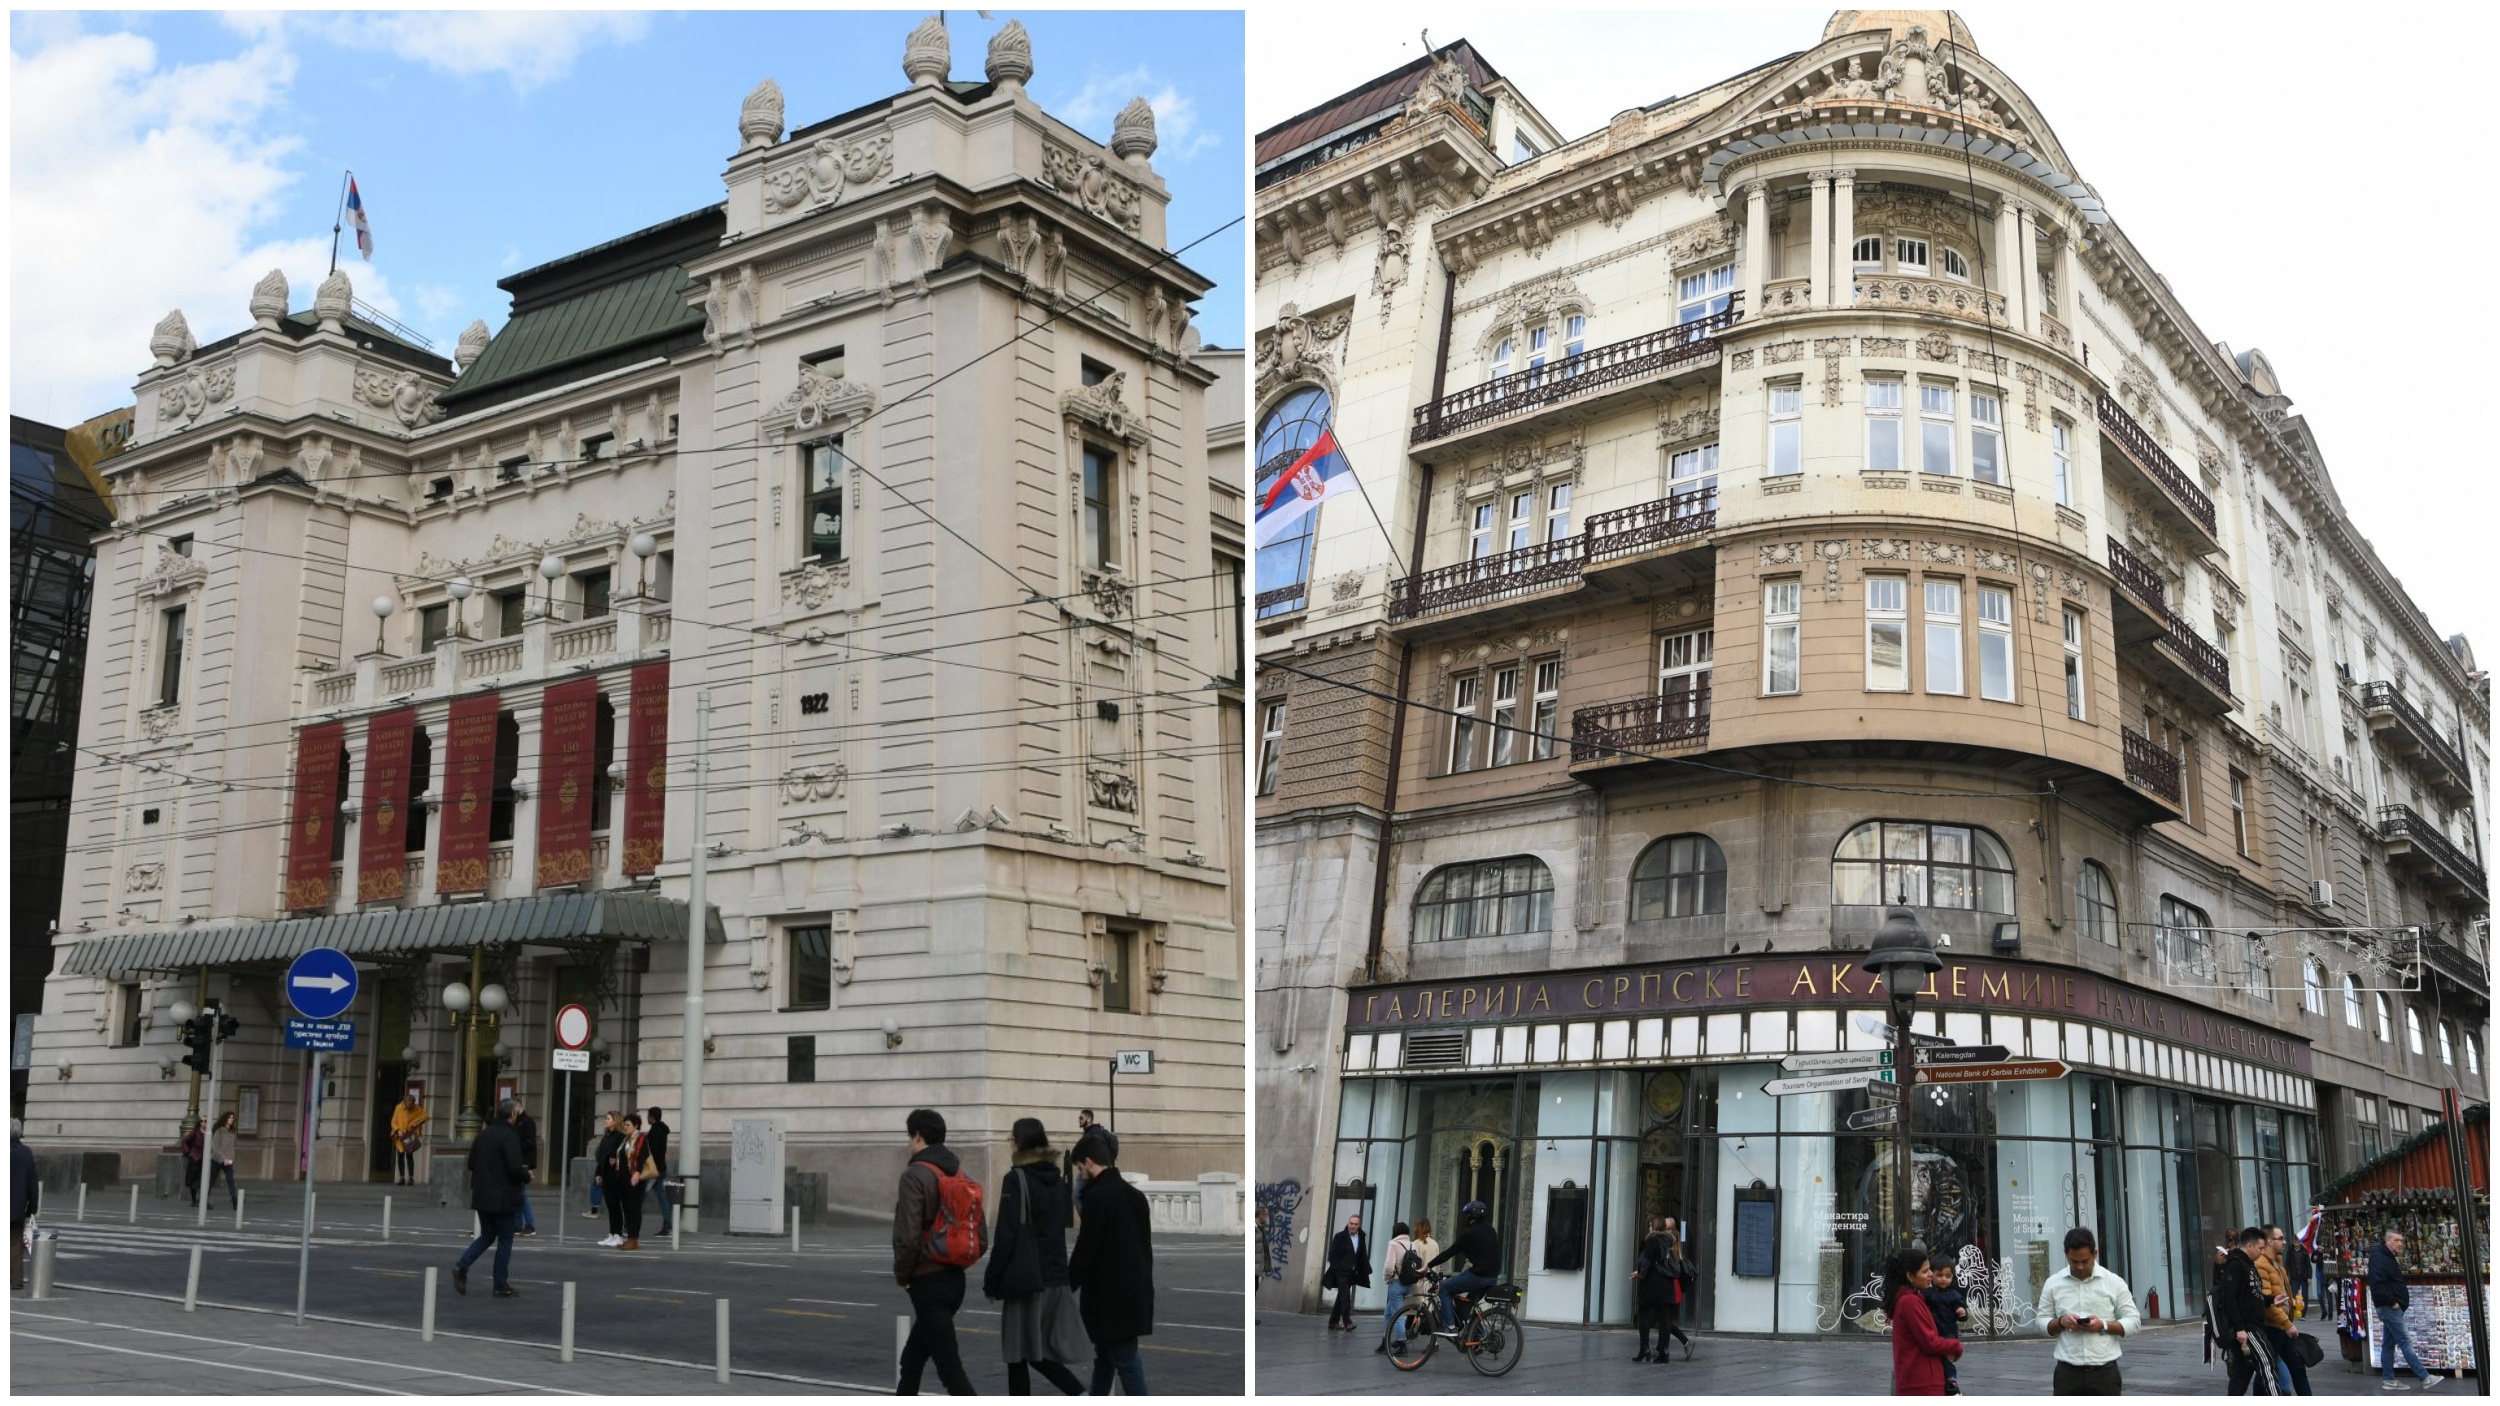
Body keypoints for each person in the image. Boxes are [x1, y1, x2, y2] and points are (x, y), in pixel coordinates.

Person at [984, 1117, 1086, 1395]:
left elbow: (1006, 1236)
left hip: (1025, 1278)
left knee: (1019, 1354)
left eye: (1011, 1138)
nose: (1010, 1143)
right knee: (1038, 1351)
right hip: (1055, 1275)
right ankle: (1082, 1394)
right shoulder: (1055, 1178)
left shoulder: (1015, 1179)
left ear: (1020, 1143)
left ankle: (1081, 1394)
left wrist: (991, 1282)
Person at [892, 1108, 979, 1396]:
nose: (908, 1143)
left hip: (928, 1281)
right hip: (955, 1281)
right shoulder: (959, 1173)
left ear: (918, 1136)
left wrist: (903, 1275)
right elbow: (981, 1235)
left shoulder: (915, 1176)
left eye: (909, 1136)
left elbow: (907, 1236)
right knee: (912, 1359)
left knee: (950, 1370)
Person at [1066, 1129, 1152, 1397]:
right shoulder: (1135, 1196)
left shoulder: (1098, 1198)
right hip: (1134, 1291)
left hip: (1109, 1298)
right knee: (1105, 1358)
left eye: (1080, 1167)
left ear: (1089, 1162)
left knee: (1125, 1360)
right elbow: (1145, 1248)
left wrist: (1066, 1285)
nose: (1080, 1174)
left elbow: (1086, 1250)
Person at [2037, 1225, 2139, 1395]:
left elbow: (2134, 1321)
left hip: (2104, 1372)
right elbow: (2040, 1323)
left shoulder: (2114, 1282)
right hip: (2067, 1373)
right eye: (2073, 1261)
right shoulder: (2053, 1283)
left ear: (2095, 1254)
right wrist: (2061, 1322)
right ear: (2066, 1254)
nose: (2080, 1267)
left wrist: (2103, 1325)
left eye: (2085, 1261)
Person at [452, 1098, 528, 1298]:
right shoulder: (509, 1136)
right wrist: (526, 1175)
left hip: (482, 1194)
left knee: (487, 1235)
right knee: (505, 1239)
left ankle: (462, 1265)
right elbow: (514, 1167)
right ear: (512, 1115)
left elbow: (472, 1164)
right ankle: (500, 1284)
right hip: (503, 1197)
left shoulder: (483, 1135)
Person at [2367, 1229, 2436, 1391]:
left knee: (2388, 1344)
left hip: (2391, 1307)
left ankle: (2389, 1379)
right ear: (2388, 1241)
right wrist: (2392, 1302)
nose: (2400, 1244)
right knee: (2405, 1341)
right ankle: (2425, 1377)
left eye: (2402, 1241)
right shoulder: (2379, 1257)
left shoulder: (2386, 1256)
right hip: (2389, 1308)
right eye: (2397, 1240)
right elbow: (2377, 1284)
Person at [1887, 1247, 1961, 1396]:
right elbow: (1930, 1342)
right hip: (1922, 1384)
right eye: (1925, 1271)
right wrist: (1956, 1345)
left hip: (1921, 1381)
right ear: (1910, 1276)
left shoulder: (1913, 1298)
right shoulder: (1909, 1302)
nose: (1930, 1275)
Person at [2213, 1225, 2275, 1395]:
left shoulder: (2248, 1264)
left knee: (2242, 1373)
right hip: (2248, 1328)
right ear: (2250, 1246)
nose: (2262, 1252)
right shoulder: (2236, 1264)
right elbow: (2230, 1299)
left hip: (2251, 1326)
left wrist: (2272, 1299)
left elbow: (2252, 1295)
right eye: (2260, 1248)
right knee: (2268, 1364)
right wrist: (2240, 1328)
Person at [1427, 1201, 1501, 1333]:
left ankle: (1449, 1327)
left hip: (1479, 1276)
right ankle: (1480, 1338)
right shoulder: (1491, 1230)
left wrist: (1428, 1266)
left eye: (1466, 1215)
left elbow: (1448, 1254)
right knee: (1467, 1306)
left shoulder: (1469, 1234)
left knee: (1444, 1288)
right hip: (1493, 1278)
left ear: (1470, 1216)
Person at [2259, 1224, 2312, 1395]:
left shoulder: (2279, 1265)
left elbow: (2282, 1294)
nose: (2284, 1242)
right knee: (2265, 1372)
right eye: (2280, 1238)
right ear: (2269, 1241)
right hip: (2272, 1327)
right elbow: (2266, 1301)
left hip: (2282, 1326)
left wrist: (2294, 1305)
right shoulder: (2261, 1265)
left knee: (2297, 1368)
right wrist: (2287, 1324)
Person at [1632, 1216, 1676, 1363]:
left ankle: (1644, 1348)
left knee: (1643, 1312)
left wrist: (1640, 1273)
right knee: (1664, 1317)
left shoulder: (1651, 1240)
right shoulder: (1668, 1240)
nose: (1648, 1228)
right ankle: (1664, 1351)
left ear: (1654, 1227)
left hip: (1652, 1282)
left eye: (1650, 1226)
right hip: (1666, 1282)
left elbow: (1645, 1261)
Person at [1924, 1255, 1970, 1395]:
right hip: (1934, 1332)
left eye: (1948, 1276)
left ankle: (1951, 1381)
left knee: (1946, 1360)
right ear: (1932, 1274)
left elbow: (1962, 1314)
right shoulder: (1928, 1292)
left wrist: (1962, 1312)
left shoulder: (1954, 1295)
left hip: (1948, 1333)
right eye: (1940, 1275)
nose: (1944, 1279)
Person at [1376, 1220, 1417, 1355]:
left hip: (1396, 1283)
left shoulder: (1393, 1244)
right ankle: (1385, 1341)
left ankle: (1401, 1342)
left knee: (1398, 1314)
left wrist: (1387, 1278)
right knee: (1388, 1313)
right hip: (1407, 1284)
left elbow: (1389, 1266)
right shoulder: (1412, 1245)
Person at [1324, 1212, 1368, 1331]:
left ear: (1359, 1225)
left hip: (1352, 1272)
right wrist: (1337, 1268)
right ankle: (1347, 1322)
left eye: (1355, 1224)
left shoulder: (1361, 1236)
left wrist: (1363, 1269)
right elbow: (1332, 1254)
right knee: (1345, 1297)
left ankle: (1333, 1321)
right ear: (1348, 1223)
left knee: (1341, 1297)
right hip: (1341, 1272)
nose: (1353, 1226)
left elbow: (1362, 1254)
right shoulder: (1339, 1237)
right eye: (1351, 1223)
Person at [613, 1112, 649, 1250]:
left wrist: (638, 1172)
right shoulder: (626, 1140)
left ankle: (634, 1239)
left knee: (633, 1209)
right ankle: (630, 1238)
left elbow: (641, 1156)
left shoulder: (640, 1139)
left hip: (634, 1179)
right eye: (624, 1125)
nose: (625, 1127)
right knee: (627, 1209)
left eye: (628, 1125)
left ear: (636, 1125)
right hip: (624, 1179)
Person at [594, 1111, 630, 1247]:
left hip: (614, 1176)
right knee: (610, 1206)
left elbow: (621, 1154)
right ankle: (612, 1233)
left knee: (615, 1206)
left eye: (608, 1118)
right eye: (606, 1118)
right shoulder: (606, 1136)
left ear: (615, 1121)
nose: (605, 1120)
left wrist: (615, 1159)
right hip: (605, 1174)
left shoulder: (619, 1137)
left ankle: (618, 1235)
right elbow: (601, 1157)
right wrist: (598, 1174)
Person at [11, 1120, 38, 1292]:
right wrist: (32, 1209)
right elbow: (32, 1184)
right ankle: (16, 1280)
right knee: (15, 1245)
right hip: (16, 1209)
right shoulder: (26, 1153)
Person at [510, 1097, 539, 1237]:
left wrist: (515, 1148)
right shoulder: (515, 1122)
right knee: (517, 1193)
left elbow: (530, 1142)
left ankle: (528, 1224)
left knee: (521, 1193)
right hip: (517, 1160)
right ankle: (518, 1224)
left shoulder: (527, 1122)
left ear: (518, 1106)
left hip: (523, 1160)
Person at [644, 1107, 673, 1237]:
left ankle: (628, 1224)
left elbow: (653, 1153)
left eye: (648, 1116)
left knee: (639, 1196)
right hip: (661, 1168)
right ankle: (668, 1225)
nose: (646, 1118)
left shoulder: (655, 1132)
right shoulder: (662, 1130)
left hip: (653, 1171)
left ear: (652, 1117)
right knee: (662, 1198)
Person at [390, 1091, 428, 1186]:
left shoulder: (416, 1108)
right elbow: (393, 1121)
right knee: (400, 1155)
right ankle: (402, 1177)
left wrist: (415, 1123)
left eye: (411, 1105)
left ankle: (411, 1178)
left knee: (409, 1155)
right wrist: (397, 1130)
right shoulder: (398, 1108)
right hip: (400, 1135)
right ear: (404, 1103)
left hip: (409, 1135)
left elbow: (425, 1116)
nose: (410, 1107)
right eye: (408, 1106)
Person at [207, 1112, 240, 1211]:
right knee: (211, 1180)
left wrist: (231, 1158)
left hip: (228, 1161)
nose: (231, 1119)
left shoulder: (232, 1132)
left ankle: (234, 1200)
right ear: (225, 1118)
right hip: (217, 1160)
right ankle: (203, 1199)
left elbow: (233, 1147)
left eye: (233, 1118)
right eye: (230, 1118)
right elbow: (215, 1147)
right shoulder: (219, 1131)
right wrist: (223, 1158)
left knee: (230, 1180)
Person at [180, 1116, 205, 1206]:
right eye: (202, 1121)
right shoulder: (195, 1132)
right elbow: (184, 1141)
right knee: (194, 1179)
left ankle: (200, 1199)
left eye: (205, 1121)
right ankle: (194, 1200)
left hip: (205, 1160)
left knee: (203, 1180)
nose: (204, 1123)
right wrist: (188, 1152)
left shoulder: (209, 1133)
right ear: (199, 1123)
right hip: (195, 1158)